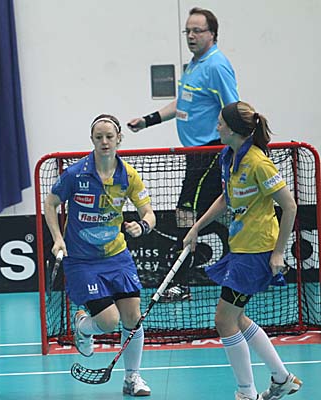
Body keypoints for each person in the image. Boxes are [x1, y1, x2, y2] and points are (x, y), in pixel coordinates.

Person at [183, 101, 302, 400]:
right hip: (240, 248)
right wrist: (196, 227)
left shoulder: (259, 163)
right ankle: (282, 378)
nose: (217, 127)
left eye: (221, 123)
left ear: (235, 129)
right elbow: (226, 198)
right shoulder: (229, 156)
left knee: (224, 320)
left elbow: (289, 206)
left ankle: (246, 393)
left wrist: (278, 252)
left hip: (257, 251)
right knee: (237, 319)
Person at [127, 7, 239, 302]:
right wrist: (148, 121)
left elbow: (234, 109)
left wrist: (235, 150)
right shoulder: (193, 65)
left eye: (197, 31)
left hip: (211, 152)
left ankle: (180, 283)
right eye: (187, 31)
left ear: (212, 34)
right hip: (194, 155)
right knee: (210, 213)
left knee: (186, 212)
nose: (190, 36)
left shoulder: (217, 66)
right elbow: (183, 104)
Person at [44, 114, 156, 396]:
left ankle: (132, 378)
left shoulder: (128, 176)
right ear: (92, 140)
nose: (104, 142)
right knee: (108, 321)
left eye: (109, 137)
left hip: (117, 256)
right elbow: (51, 203)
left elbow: (148, 213)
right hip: (82, 259)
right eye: (99, 137)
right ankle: (84, 327)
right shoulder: (76, 174)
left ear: (119, 139)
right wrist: (57, 238)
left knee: (133, 317)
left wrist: (142, 226)